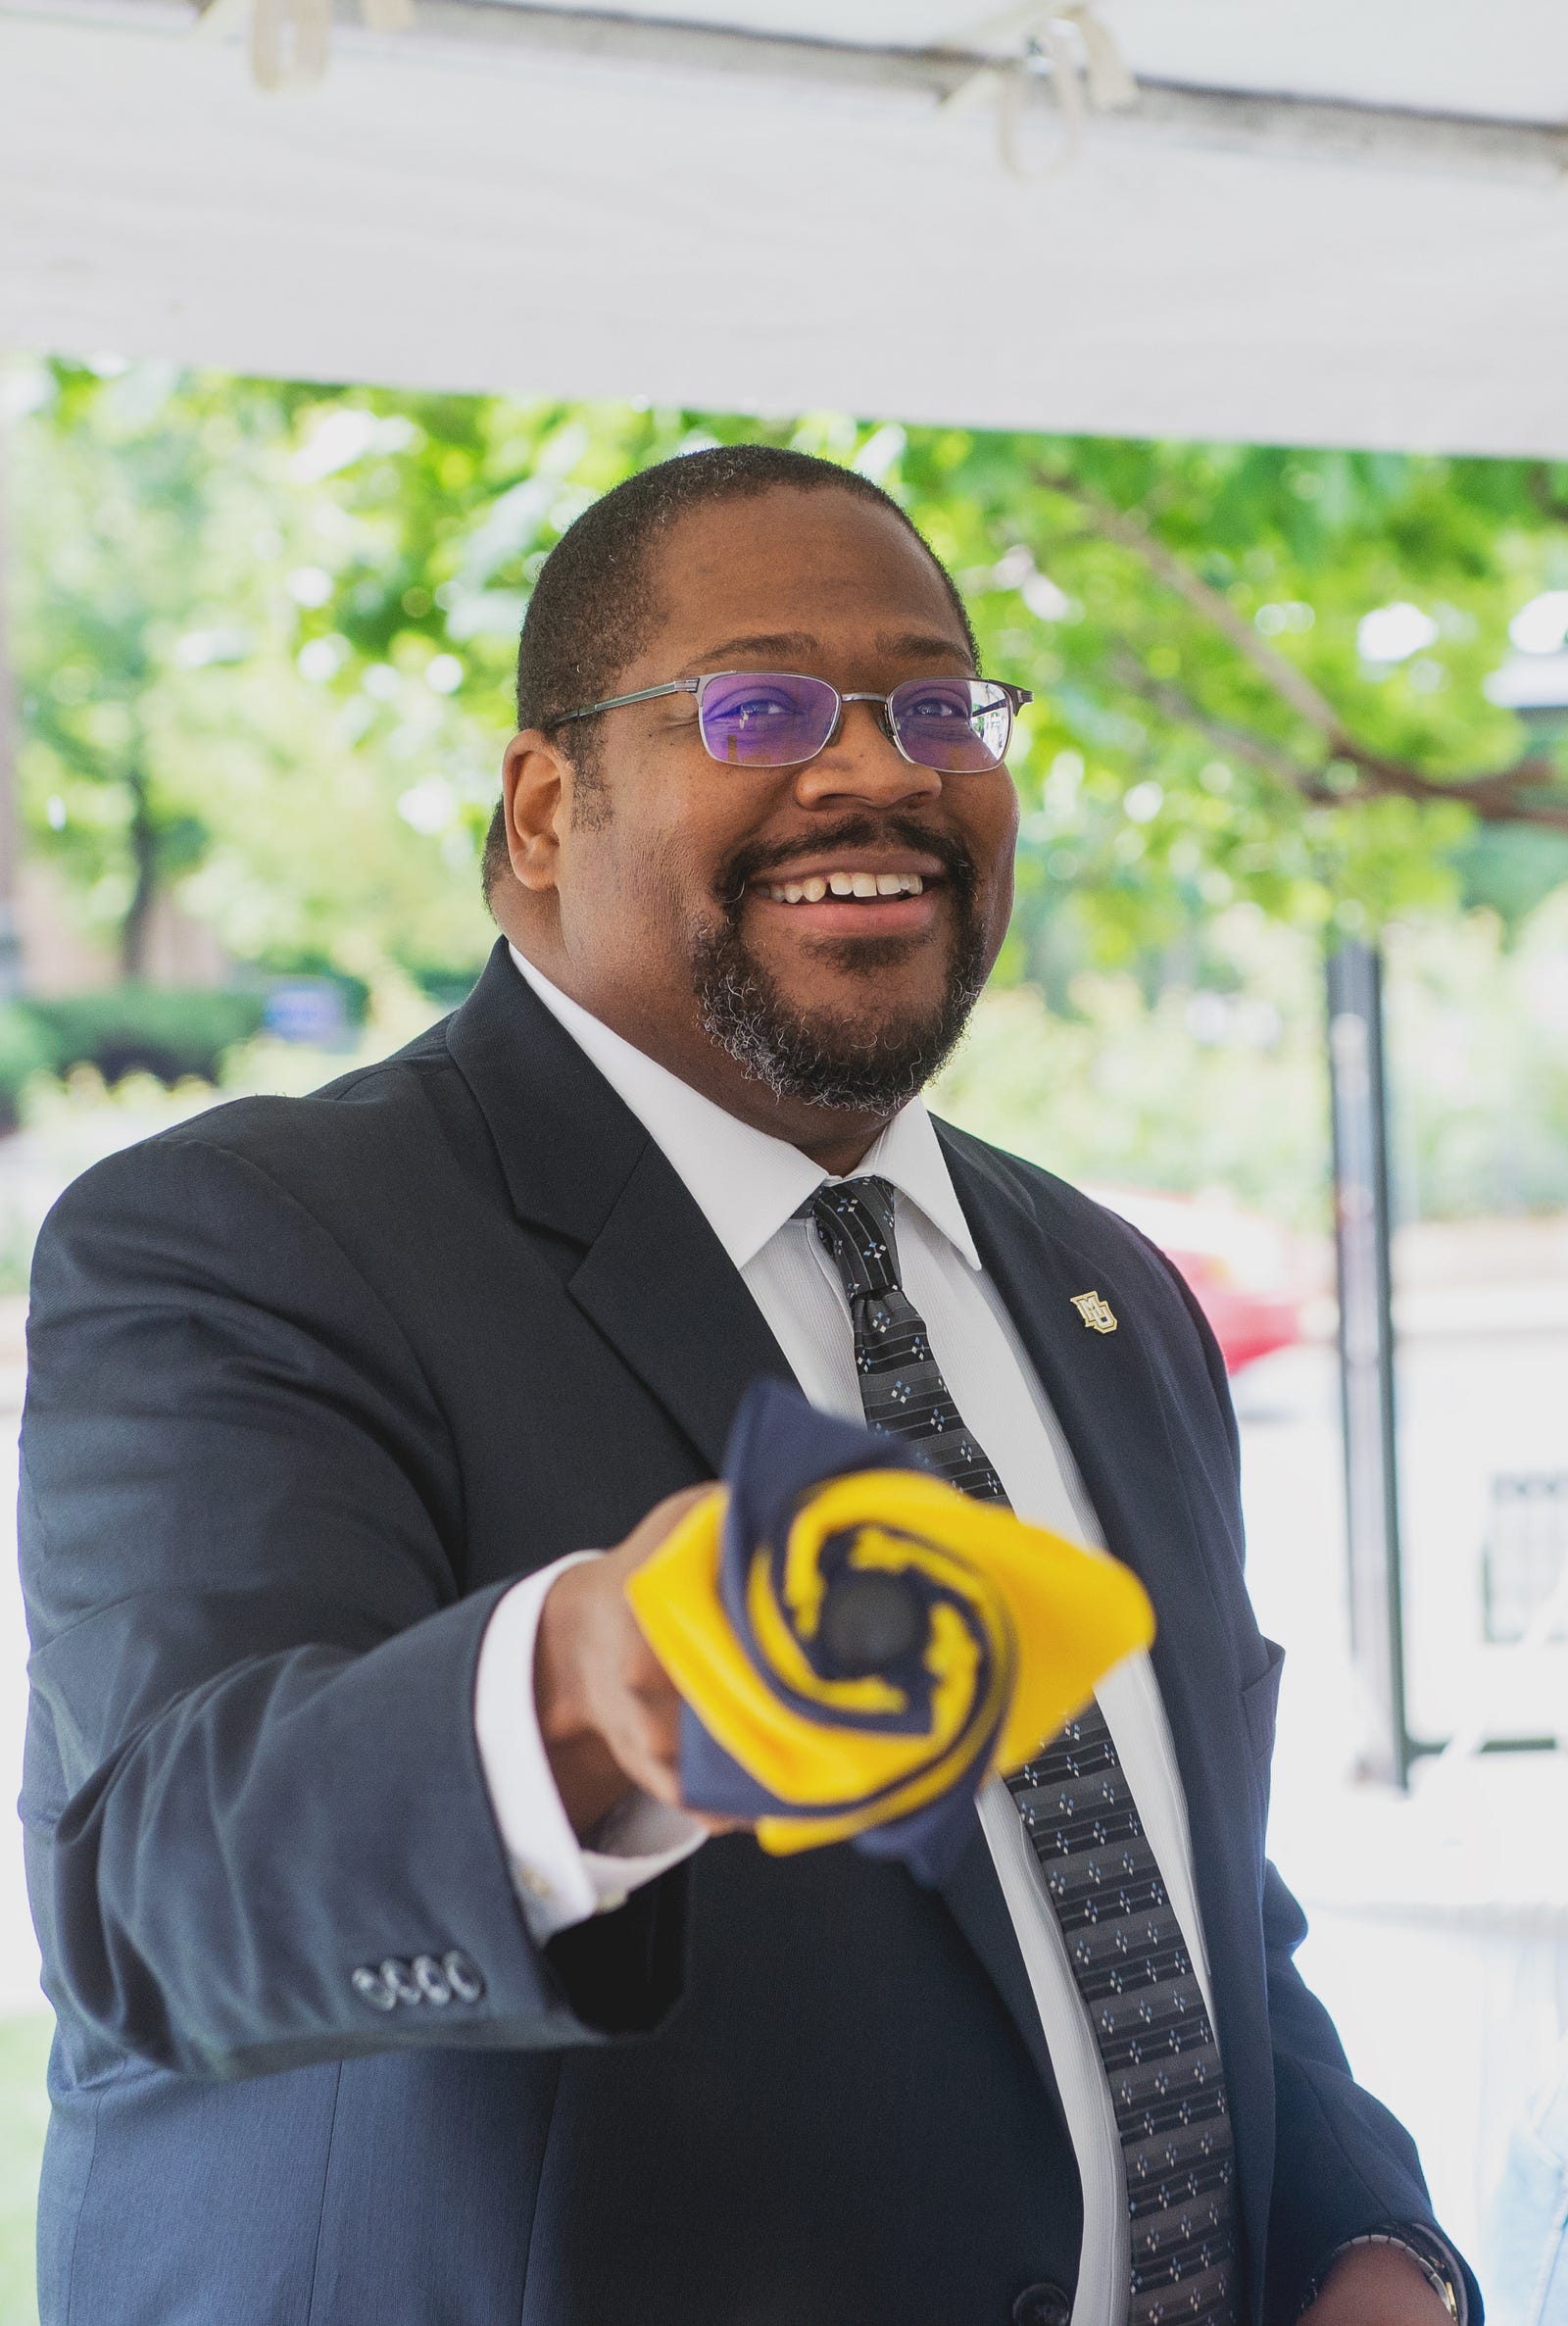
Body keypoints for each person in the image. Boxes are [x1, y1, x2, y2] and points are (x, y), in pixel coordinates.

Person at [20, 445, 1479, 2326]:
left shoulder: (1109, 1290)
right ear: (545, 808)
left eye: (938, 707)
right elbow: (164, 1892)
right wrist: (587, 1691)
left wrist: (1363, 2238)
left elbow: (1175, 1895)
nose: (882, 769)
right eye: (761, 706)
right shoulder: (258, 1237)